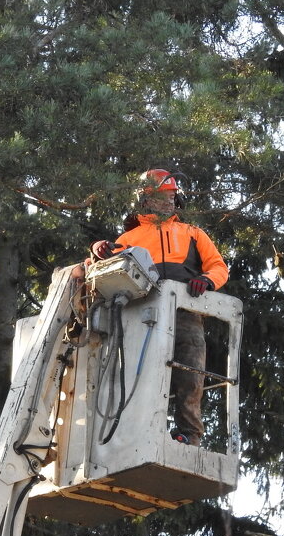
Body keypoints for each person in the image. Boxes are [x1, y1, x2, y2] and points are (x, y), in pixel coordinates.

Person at [90, 169, 229, 446]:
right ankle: (139, 432)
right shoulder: (131, 237)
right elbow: (104, 271)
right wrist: (97, 250)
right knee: (143, 371)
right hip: (143, 312)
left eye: (169, 196)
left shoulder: (192, 233)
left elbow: (219, 267)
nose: (166, 202)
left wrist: (206, 280)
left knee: (190, 372)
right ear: (144, 200)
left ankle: (189, 435)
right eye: (158, 197)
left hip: (186, 310)